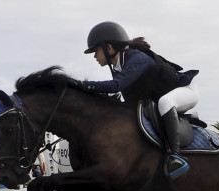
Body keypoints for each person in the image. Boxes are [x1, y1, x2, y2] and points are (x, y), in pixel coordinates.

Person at [77, 21, 199, 180]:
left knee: (165, 102)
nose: (94, 56)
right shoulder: (119, 67)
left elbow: (115, 86)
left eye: (96, 51)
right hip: (163, 99)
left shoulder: (137, 58)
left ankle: (175, 158)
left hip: (186, 91)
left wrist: (81, 85)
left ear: (109, 48)